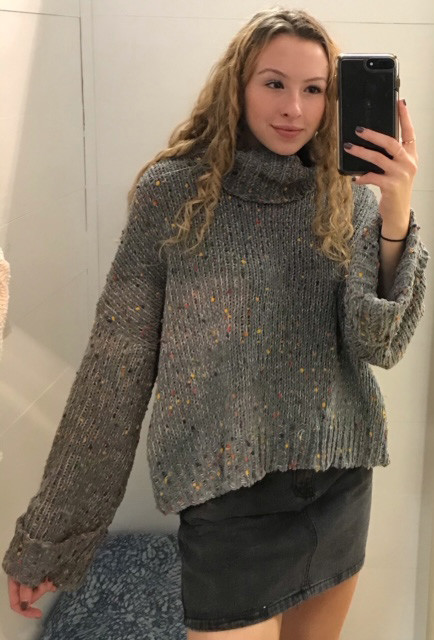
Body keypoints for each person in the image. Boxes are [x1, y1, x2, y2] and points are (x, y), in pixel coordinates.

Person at [3, 7, 430, 640]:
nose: (293, 108)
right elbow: (115, 371)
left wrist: (396, 216)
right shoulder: (174, 195)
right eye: (274, 82)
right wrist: (54, 535)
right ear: (238, 85)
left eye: (314, 89)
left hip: (337, 485)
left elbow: (380, 344)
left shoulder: (350, 200)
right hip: (225, 502)